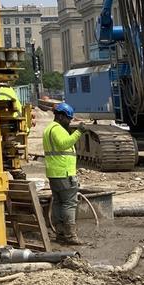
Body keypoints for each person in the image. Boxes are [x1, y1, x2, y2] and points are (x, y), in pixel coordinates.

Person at [42, 102, 85, 245]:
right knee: (69, 204)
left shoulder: (48, 129)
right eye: (68, 118)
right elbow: (63, 144)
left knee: (58, 203)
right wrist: (79, 132)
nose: (69, 121)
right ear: (61, 117)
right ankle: (70, 235)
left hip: (54, 173)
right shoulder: (57, 129)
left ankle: (60, 233)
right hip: (64, 172)